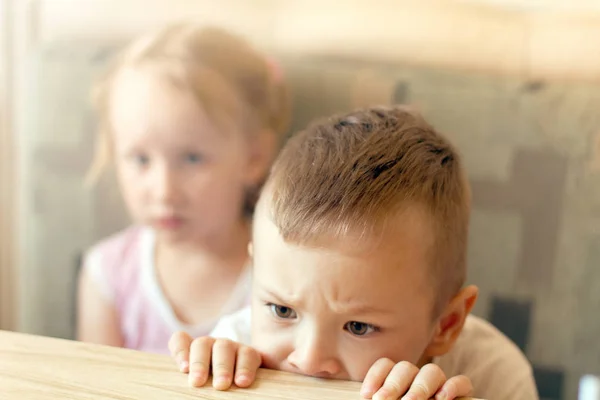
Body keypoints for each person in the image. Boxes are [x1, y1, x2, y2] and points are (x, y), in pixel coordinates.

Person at [168, 106, 538, 400]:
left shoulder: (494, 375)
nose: (309, 359)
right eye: (282, 310)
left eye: (358, 327)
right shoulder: (235, 350)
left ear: (446, 324)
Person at [76, 22, 290, 354]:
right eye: (140, 159)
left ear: (254, 157)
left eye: (192, 158)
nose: (164, 191)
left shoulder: (285, 280)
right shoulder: (108, 276)